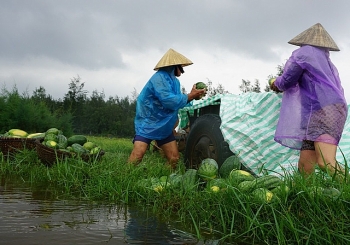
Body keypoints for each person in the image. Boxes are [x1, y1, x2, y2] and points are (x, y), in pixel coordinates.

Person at [269, 23, 348, 177]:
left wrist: (274, 83)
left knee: (325, 162)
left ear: (304, 41)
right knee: (305, 165)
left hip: (325, 110)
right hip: (325, 110)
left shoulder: (303, 53)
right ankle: (306, 197)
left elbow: (286, 81)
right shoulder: (325, 60)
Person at [128, 48, 206, 169]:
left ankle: (164, 178)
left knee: (174, 158)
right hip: (148, 123)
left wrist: (192, 97)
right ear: (175, 66)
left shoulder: (174, 82)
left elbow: (178, 100)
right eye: (181, 66)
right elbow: (169, 101)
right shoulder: (159, 78)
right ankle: (126, 176)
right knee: (138, 154)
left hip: (163, 125)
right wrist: (190, 96)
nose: (182, 70)